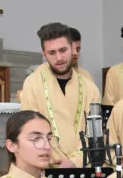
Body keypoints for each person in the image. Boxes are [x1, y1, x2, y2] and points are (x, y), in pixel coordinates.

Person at [21, 22, 102, 168]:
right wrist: (53, 158)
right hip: (45, 167)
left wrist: (75, 161)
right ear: (44, 53)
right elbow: (30, 130)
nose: (59, 58)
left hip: (82, 166)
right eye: (52, 53)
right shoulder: (32, 84)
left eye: (63, 50)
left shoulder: (90, 89)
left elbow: (94, 132)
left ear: (73, 48)